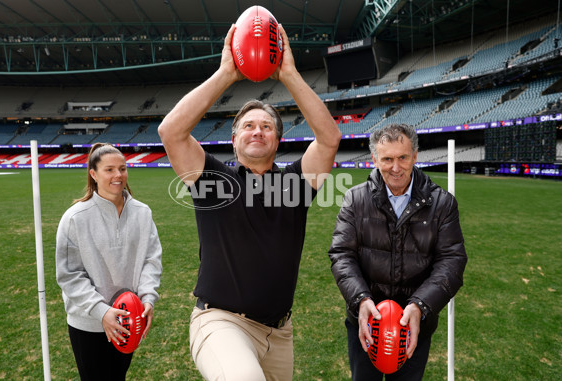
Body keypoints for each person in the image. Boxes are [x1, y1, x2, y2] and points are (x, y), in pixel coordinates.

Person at [158, 24, 341, 381]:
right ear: (234, 138)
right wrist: (227, 73)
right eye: (248, 126)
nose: (257, 131)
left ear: (277, 140)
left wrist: (288, 73)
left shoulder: (295, 184)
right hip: (220, 321)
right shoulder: (212, 179)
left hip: (279, 333)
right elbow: (171, 131)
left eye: (267, 127)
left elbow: (329, 138)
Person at [328, 124, 467, 381]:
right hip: (366, 321)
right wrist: (361, 300)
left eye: (403, 157)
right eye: (387, 159)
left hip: (415, 324)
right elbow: (341, 254)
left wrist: (420, 305)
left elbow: (451, 261)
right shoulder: (355, 199)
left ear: (415, 156)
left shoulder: (442, 203)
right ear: (374, 159)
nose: (395, 167)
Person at [56, 143, 162, 380]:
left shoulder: (143, 213)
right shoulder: (75, 218)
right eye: (109, 169)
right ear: (93, 174)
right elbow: (69, 275)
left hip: (128, 318)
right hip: (89, 323)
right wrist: (101, 311)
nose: (118, 175)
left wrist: (148, 297)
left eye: (122, 169)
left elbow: (151, 260)